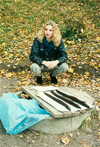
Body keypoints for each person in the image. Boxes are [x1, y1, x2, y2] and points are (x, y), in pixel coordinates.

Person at [29, 20, 68, 84]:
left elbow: (64, 55)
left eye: (50, 30)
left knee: (65, 66)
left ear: (54, 31)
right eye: (46, 29)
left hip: (53, 65)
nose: (47, 32)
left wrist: (56, 62)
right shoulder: (38, 39)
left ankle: (53, 75)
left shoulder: (58, 40)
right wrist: (43, 62)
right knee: (33, 66)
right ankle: (39, 76)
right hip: (42, 65)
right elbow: (33, 56)